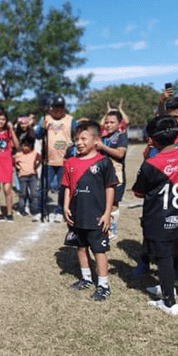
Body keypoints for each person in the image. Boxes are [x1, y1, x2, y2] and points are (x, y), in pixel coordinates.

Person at [132, 116, 178, 314]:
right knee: (172, 252)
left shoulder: (150, 164)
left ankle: (169, 302)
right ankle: (167, 285)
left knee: (163, 257)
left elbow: (138, 192)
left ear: (151, 140)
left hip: (157, 218)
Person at [62, 121, 117, 302]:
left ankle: (103, 285)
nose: (79, 142)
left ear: (96, 140)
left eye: (83, 138)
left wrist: (107, 213)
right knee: (80, 247)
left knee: (99, 250)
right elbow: (68, 187)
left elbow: (110, 188)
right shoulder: (70, 162)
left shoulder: (103, 162)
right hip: (77, 215)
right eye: (76, 139)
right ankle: (86, 278)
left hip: (97, 216)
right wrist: (65, 207)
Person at [35, 96, 77, 222]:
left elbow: (78, 136)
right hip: (48, 161)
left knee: (62, 188)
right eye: (56, 107)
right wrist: (42, 127)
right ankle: (40, 210)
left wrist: (72, 151)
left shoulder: (70, 120)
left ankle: (60, 211)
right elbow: (37, 135)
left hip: (64, 161)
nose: (58, 110)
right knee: (43, 187)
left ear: (64, 108)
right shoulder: (45, 119)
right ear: (51, 108)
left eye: (61, 107)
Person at [97, 109, 128, 240]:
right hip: (102, 174)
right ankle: (104, 226)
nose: (108, 125)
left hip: (117, 175)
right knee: (103, 202)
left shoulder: (121, 136)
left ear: (119, 123)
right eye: (106, 122)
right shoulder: (102, 138)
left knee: (114, 204)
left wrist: (103, 147)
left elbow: (120, 153)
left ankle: (112, 230)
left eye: (112, 122)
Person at [13, 138, 41, 220]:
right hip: (23, 177)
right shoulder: (18, 154)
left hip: (32, 176)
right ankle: (21, 209)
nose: (26, 148)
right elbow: (14, 162)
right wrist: (18, 169)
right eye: (24, 146)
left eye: (28, 146)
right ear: (21, 146)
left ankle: (34, 209)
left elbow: (39, 158)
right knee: (23, 194)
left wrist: (36, 165)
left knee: (34, 194)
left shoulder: (34, 153)